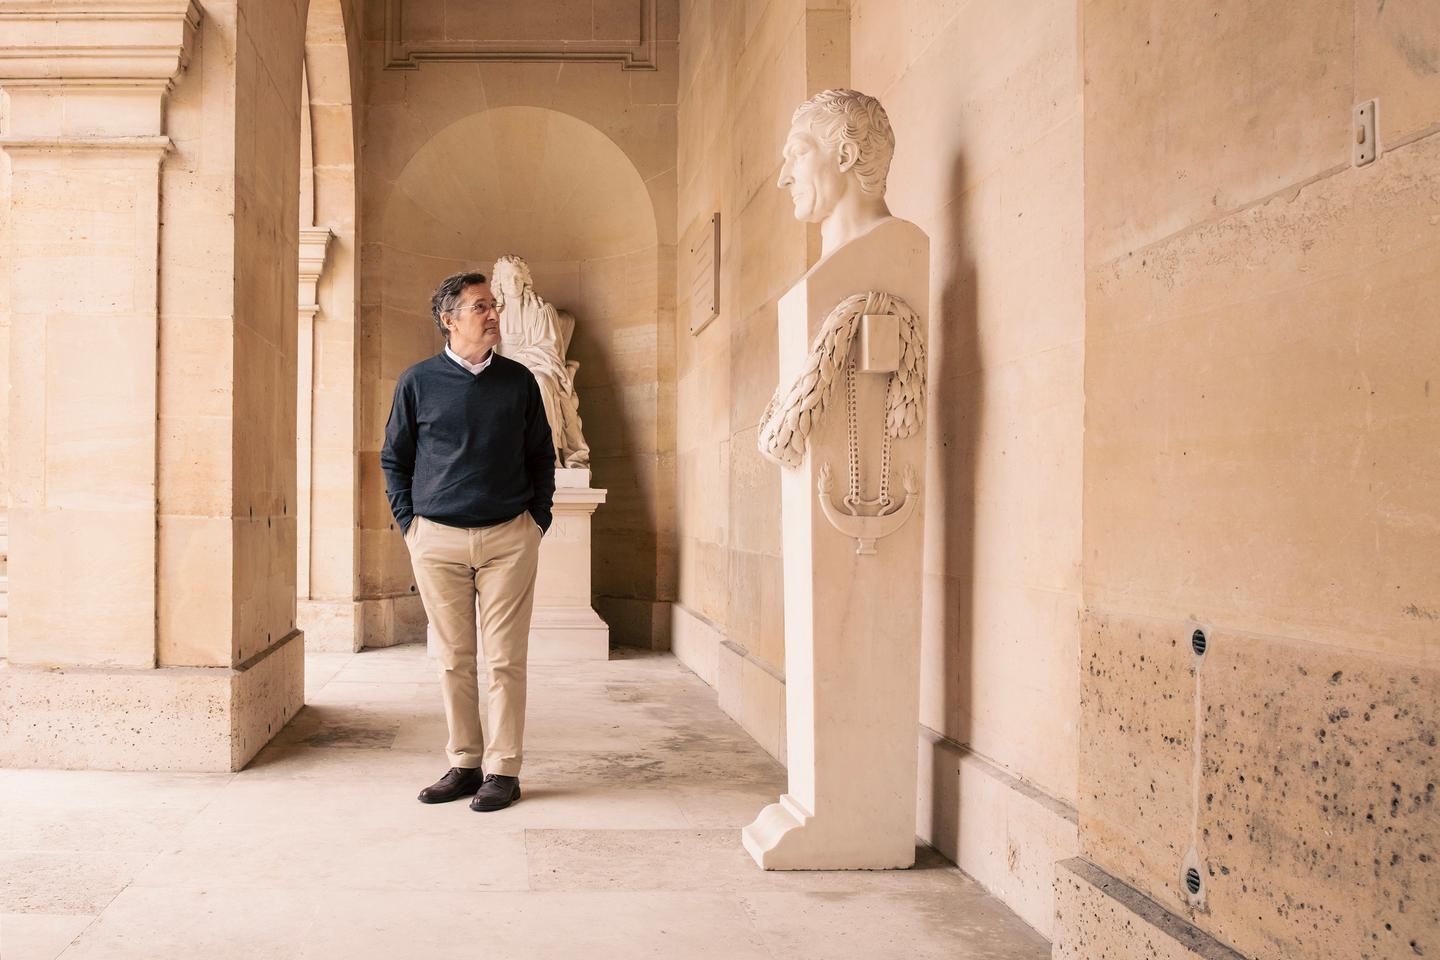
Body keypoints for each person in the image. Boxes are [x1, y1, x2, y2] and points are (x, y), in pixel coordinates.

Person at [380, 270, 555, 812]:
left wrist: (536, 521)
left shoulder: (520, 381)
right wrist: (411, 525)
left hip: (509, 538)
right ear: (448, 319)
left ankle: (504, 770)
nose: (493, 315)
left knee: (505, 660)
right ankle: (464, 763)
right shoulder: (417, 382)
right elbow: (395, 459)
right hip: (437, 540)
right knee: (454, 659)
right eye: (481, 306)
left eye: (494, 305)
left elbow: (541, 455)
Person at [492, 254, 591, 468]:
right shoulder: (491, 317)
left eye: (518, 277)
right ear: (498, 281)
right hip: (496, 374)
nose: (513, 283)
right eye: (508, 278)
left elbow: (548, 350)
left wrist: (516, 366)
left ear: (526, 280)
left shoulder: (541, 311)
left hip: (536, 368)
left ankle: (547, 458)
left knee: (541, 382)